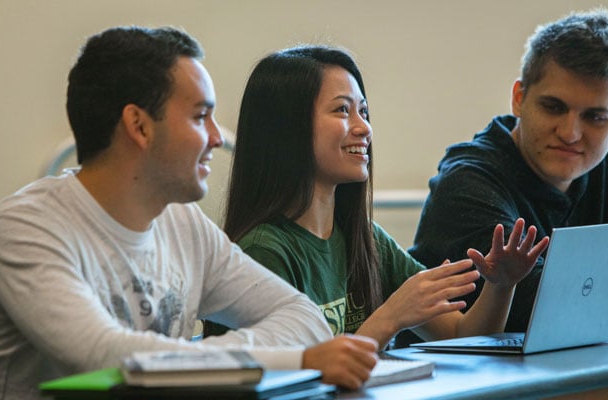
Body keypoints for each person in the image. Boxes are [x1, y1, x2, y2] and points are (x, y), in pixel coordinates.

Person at [0, 27, 380, 399]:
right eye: (201, 116)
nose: (218, 138)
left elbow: (303, 319)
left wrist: (203, 358)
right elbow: (106, 356)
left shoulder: (184, 224)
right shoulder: (25, 229)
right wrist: (293, 359)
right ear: (140, 126)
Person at [211, 45, 549, 351]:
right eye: (343, 111)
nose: (364, 128)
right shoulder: (262, 252)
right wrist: (390, 317)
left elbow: (462, 336)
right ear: (288, 128)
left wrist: (502, 286)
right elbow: (297, 381)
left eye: (364, 112)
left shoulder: (366, 239)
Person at [409, 8, 608, 335]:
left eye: (595, 117)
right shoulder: (468, 181)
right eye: (553, 107)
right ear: (518, 98)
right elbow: (542, 301)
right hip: (458, 382)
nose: (570, 133)